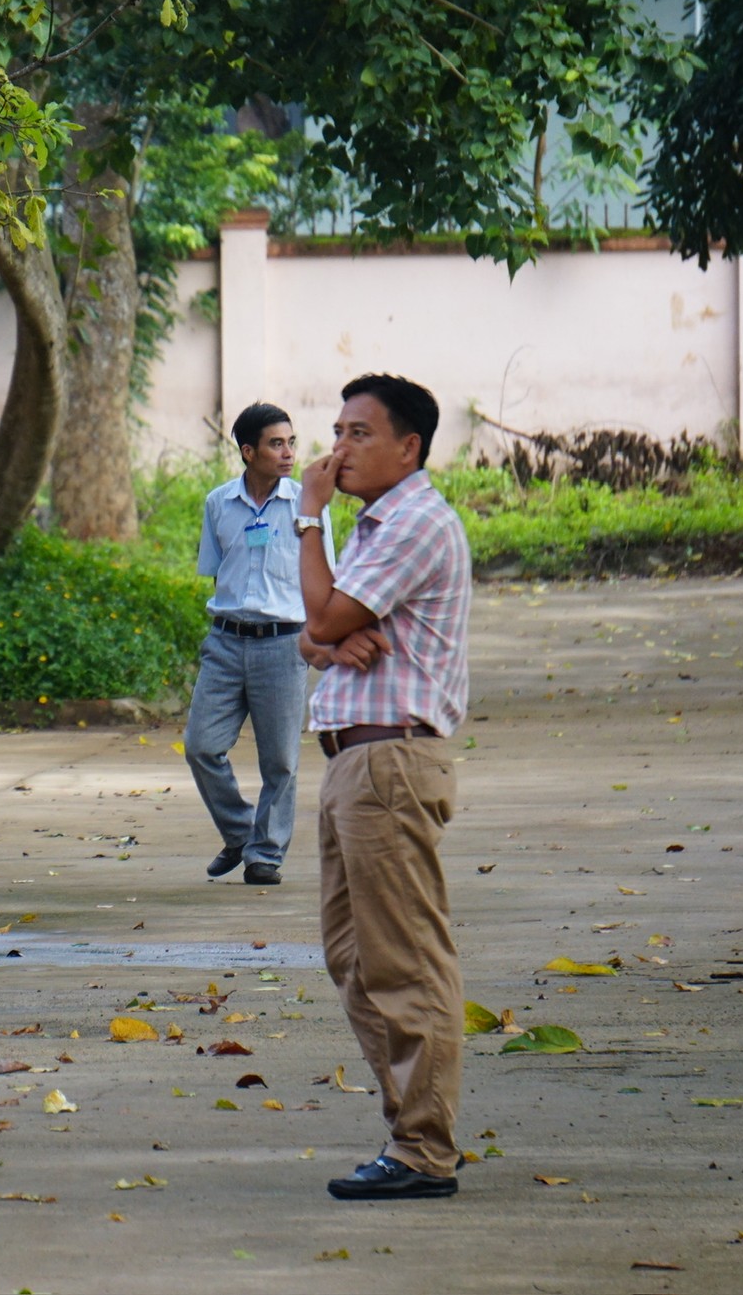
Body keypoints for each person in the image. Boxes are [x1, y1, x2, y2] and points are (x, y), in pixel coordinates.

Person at [294, 373, 472, 1201]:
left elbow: (326, 616)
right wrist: (328, 641)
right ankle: (411, 1131)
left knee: (405, 962)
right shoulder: (373, 527)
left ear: (411, 446)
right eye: (335, 430)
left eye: (359, 433)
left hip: (390, 761)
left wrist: (307, 520)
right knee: (354, 956)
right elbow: (314, 630)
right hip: (354, 762)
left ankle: (424, 1148)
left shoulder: (414, 522)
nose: (338, 449)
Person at [185, 402, 333, 887]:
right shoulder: (218, 503)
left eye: (291, 441)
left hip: (283, 643)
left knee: (281, 760)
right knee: (201, 746)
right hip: (226, 642)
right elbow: (216, 573)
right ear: (248, 452)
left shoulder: (308, 510)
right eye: (276, 443)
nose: (288, 452)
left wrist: (319, 637)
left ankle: (264, 854)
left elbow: (323, 579)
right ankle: (240, 831)